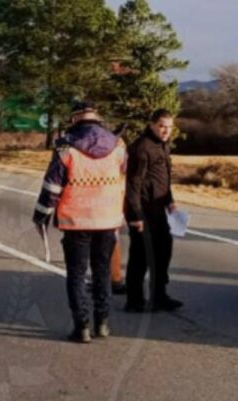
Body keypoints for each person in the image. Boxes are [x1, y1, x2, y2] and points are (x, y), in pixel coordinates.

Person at [32, 101, 126, 343]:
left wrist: (42, 214)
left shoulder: (66, 147)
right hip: (107, 220)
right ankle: (103, 323)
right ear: (97, 117)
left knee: (76, 274)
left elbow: (53, 186)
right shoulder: (118, 145)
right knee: (103, 272)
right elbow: (124, 176)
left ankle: (82, 327)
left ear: (74, 119)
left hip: (76, 221)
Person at [125, 109, 183, 312]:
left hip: (159, 209)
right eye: (162, 126)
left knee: (163, 251)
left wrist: (170, 201)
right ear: (152, 124)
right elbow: (133, 184)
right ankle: (134, 300)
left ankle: (159, 295)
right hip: (142, 210)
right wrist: (135, 216)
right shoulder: (142, 148)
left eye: (169, 127)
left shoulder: (163, 146)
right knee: (140, 256)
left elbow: (162, 178)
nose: (166, 131)